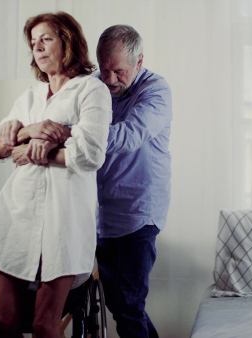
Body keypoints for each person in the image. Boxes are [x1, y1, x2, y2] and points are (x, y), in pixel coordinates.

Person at [0, 12, 112, 338]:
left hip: (63, 218)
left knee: (44, 325)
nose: (37, 48)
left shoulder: (91, 92)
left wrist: (40, 150)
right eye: (33, 43)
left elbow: (90, 155)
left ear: (68, 40)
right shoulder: (30, 96)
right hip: (16, 213)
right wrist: (37, 130)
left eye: (45, 39)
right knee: (2, 318)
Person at [94, 25, 172, 338]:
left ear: (139, 62)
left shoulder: (156, 90)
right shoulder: (94, 84)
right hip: (103, 215)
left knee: (127, 305)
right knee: (121, 305)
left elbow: (129, 135)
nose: (109, 79)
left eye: (118, 71)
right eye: (103, 69)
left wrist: (73, 136)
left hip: (139, 213)